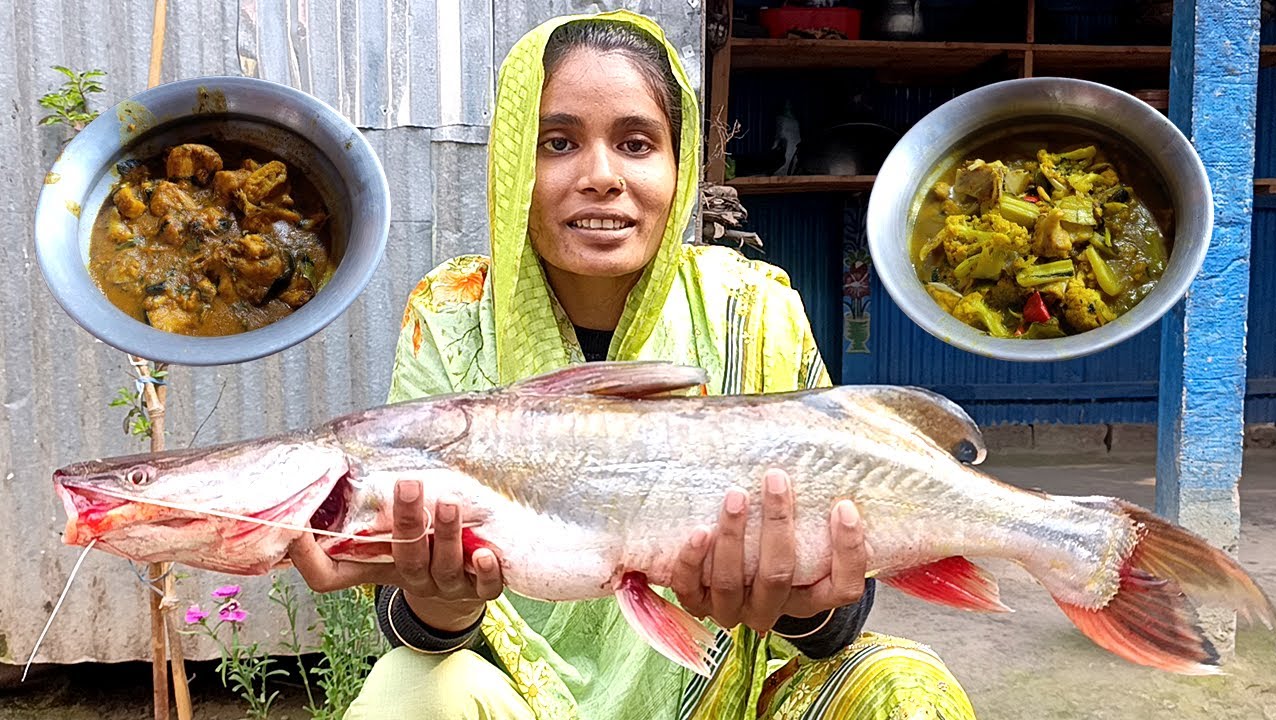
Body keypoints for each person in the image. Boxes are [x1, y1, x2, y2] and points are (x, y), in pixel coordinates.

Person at [288, 10, 976, 719]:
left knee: (901, 682)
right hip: (517, 701)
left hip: (729, 698)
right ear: (512, 162)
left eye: (636, 142)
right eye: (558, 143)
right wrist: (438, 598)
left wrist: (798, 599)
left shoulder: (753, 308)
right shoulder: (453, 313)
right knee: (415, 690)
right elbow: (413, 623)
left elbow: (837, 612)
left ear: (679, 168)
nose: (601, 177)